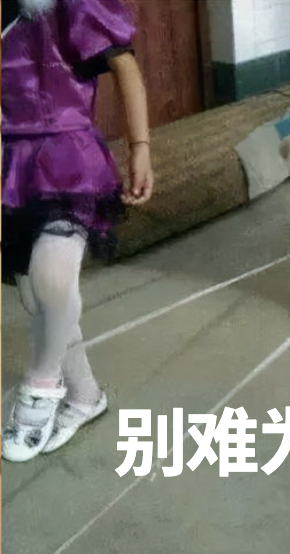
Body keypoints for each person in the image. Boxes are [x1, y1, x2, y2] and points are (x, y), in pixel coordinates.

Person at [1, 0, 154, 462]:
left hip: (65, 157)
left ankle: (41, 386)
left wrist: (140, 147)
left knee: (52, 278)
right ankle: (86, 396)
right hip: (8, 166)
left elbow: (123, 63)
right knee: (36, 297)